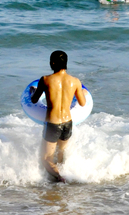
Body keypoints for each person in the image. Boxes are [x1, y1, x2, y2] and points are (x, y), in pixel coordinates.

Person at [30, 50, 87, 183]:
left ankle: (60, 178)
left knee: (45, 158)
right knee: (61, 151)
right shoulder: (75, 81)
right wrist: (83, 92)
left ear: (53, 63)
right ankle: (64, 171)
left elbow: (34, 100)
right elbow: (82, 103)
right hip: (68, 123)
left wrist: (33, 91)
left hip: (53, 124)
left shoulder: (45, 79)